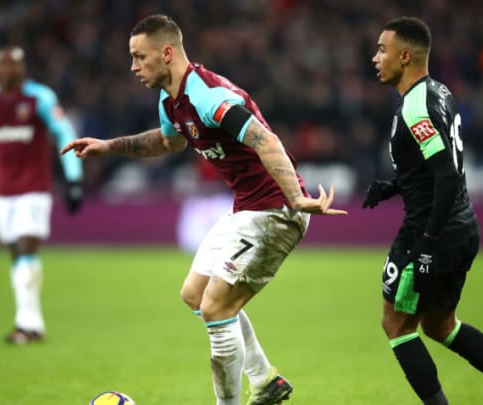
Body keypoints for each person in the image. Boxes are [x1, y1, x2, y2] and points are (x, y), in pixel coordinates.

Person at [62, 14, 346, 405]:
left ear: (166, 53)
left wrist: (296, 199)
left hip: (275, 211)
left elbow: (266, 139)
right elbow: (168, 143)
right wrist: (109, 146)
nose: (133, 67)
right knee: (195, 294)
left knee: (215, 308)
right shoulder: (171, 100)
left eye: (138, 57)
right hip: (247, 210)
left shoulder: (209, 96)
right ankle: (264, 380)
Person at [363, 17, 483, 405]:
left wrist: (428, 242)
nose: (375, 57)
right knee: (439, 324)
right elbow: (435, 168)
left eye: (382, 50)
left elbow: (447, 177)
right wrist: (394, 186)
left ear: (404, 56)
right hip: (463, 226)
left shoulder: (415, 108)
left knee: (396, 324)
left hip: (431, 230)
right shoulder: (440, 91)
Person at [0, 46, 84, 345]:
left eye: (16, 65)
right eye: (4, 65)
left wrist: (73, 177)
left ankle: (27, 323)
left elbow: (63, 131)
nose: (10, 70)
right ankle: (31, 323)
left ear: (23, 69)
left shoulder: (39, 98)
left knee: (26, 247)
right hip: (3, 191)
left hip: (34, 188)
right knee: (17, 253)